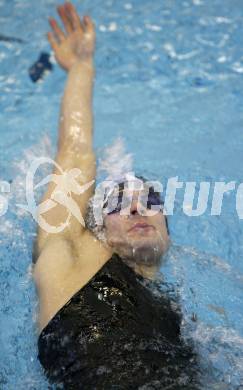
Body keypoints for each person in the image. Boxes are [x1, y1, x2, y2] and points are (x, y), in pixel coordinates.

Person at [33, 2, 199, 389]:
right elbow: (74, 153)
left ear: (168, 235)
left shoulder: (175, 315)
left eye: (151, 202)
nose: (138, 206)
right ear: (93, 229)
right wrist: (81, 67)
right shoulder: (70, 259)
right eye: (118, 203)